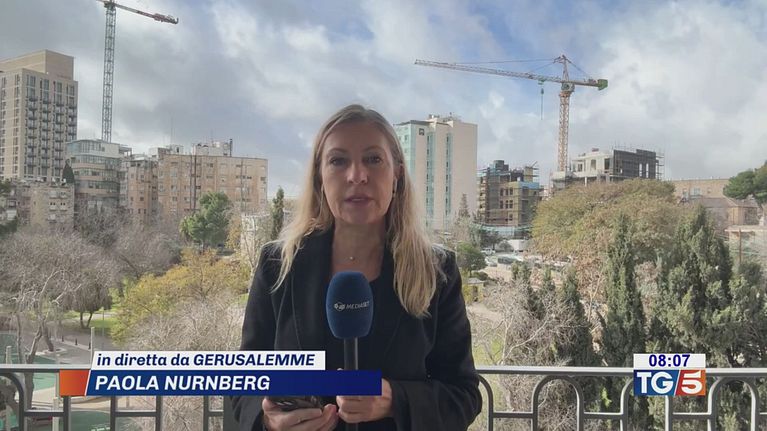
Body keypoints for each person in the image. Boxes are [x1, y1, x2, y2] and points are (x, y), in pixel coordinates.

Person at [232, 104, 482, 430]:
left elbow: (464, 395)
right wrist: (268, 420)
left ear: (397, 175)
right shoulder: (278, 266)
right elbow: (244, 385)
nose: (356, 175)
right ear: (320, 178)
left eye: (373, 159)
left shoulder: (437, 272)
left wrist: (394, 400)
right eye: (338, 161)